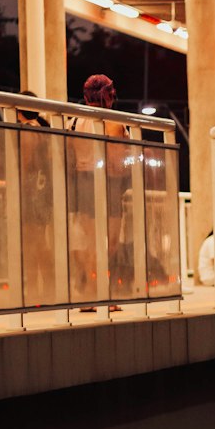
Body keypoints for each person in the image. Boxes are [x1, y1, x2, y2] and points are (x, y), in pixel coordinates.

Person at [69, 73, 129, 306]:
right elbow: (116, 164)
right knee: (110, 242)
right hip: (108, 185)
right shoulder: (114, 123)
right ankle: (102, 294)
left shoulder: (73, 122)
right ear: (107, 94)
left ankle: (90, 292)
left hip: (82, 183)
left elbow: (69, 157)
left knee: (90, 241)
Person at [16, 95, 54, 306]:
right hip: (43, 190)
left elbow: (25, 163)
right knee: (40, 242)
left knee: (33, 243)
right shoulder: (42, 127)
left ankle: (34, 292)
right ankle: (46, 288)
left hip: (32, 192)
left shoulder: (28, 130)